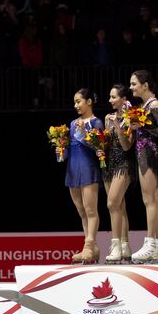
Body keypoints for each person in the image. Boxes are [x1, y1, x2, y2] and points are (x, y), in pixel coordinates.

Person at [128, 70, 158, 263]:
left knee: (150, 199)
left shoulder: (154, 104)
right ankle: (157, 247)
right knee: (155, 199)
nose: (131, 87)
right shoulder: (145, 105)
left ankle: (150, 242)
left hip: (150, 154)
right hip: (145, 153)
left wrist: (141, 125)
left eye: (134, 83)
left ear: (145, 85)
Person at [61, 88, 104, 263]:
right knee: (81, 211)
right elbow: (69, 150)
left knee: (91, 209)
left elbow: (99, 149)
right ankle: (91, 248)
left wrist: (84, 134)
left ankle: (88, 245)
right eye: (74, 102)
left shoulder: (96, 123)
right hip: (73, 169)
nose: (76, 105)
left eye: (79, 101)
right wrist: (61, 151)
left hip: (88, 168)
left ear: (89, 102)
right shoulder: (72, 124)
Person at [101, 84, 136, 264]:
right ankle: (125, 246)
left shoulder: (132, 117)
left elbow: (126, 146)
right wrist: (97, 143)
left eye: (113, 97)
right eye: (110, 96)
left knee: (112, 203)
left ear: (123, 99)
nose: (110, 100)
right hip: (109, 164)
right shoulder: (108, 118)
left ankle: (115, 246)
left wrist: (117, 126)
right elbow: (107, 142)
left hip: (124, 163)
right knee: (119, 207)